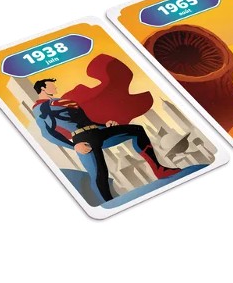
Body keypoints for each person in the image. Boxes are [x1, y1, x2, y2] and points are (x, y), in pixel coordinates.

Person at [32, 78, 181, 202]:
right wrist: (74, 146)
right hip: (83, 140)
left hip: (98, 132)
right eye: (51, 85)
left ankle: (159, 170)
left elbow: (86, 121)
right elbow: (47, 133)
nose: (55, 87)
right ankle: (109, 204)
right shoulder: (41, 107)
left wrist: (105, 125)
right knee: (100, 175)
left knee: (137, 130)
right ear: (43, 88)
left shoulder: (61, 101)